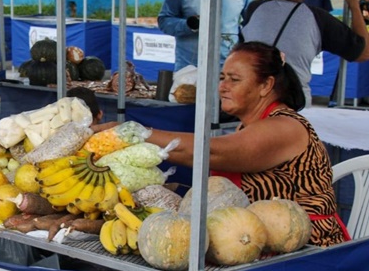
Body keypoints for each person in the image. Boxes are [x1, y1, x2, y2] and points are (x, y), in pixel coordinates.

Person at [94, 41, 347, 247]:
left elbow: (210, 152)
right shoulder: (248, 125)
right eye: (222, 77)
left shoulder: (284, 127)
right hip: (251, 240)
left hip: (308, 250)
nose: (222, 87)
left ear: (266, 85)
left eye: (234, 80)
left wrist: (134, 133)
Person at [241, 0, 369, 106]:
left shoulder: (255, 9)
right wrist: (353, 4)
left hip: (250, 98)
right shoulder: (319, 19)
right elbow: (364, 52)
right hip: (293, 103)